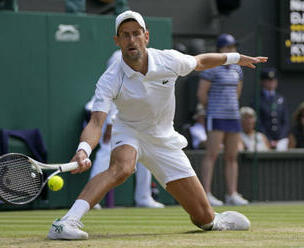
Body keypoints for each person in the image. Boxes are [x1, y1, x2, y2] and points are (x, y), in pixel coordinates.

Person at [47, 10, 267, 240]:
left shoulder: (168, 60)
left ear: (146, 36)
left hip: (163, 139)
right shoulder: (110, 79)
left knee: (204, 220)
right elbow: (96, 122)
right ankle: (66, 222)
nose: (131, 40)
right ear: (117, 41)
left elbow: (200, 62)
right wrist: (83, 149)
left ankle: (216, 219)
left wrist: (235, 58)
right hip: (129, 131)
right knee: (121, 168)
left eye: (136, 34)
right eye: (125, 35)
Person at [86, 97, 164, 209]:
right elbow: (113, 105)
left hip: (125, 121)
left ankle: (143, 197)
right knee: (106, 151)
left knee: (144, 153)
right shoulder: (122, 82)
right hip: (98, 116)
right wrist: (109, 125)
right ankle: (91, 198)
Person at [198, 33, 248, 206]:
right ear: (220, 49)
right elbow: (202, 94)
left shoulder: (237, 68)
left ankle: (232, 194)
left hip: (233, 116)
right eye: (228, 47)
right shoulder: (211, 67)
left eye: (233, 47)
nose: (232, 50)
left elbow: (237, 92)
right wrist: (213, 108)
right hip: (216, 116)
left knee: (232, 156)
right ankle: (206, 193)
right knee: (211, 154)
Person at [253, 67, 289, 150]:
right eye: (268, 80)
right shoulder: (257, 99)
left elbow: (285, 122)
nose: (271, 82)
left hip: (281, 138)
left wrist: (280, 139)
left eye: (273, 80)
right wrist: (268, 139)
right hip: (263, 137)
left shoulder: (281, 98)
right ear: (262, 81)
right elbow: (258, 123)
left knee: (282, 147)